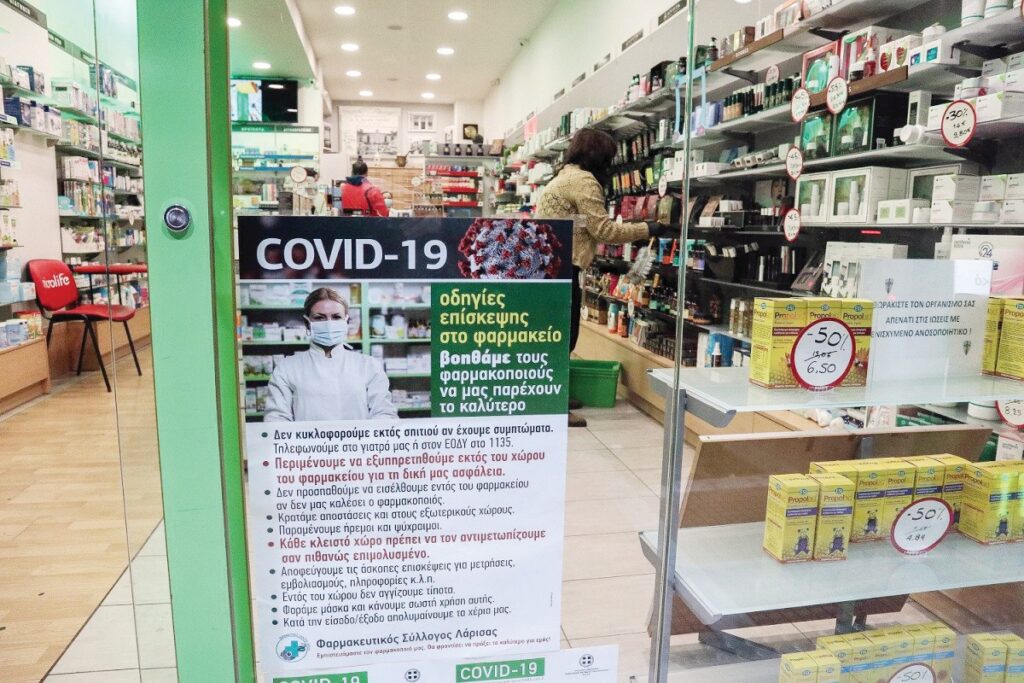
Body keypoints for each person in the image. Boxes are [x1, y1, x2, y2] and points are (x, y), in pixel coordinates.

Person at [537, 128, 672, 427]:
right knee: (564, 337)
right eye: (608, 157)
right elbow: (604, 230)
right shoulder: (584, 181)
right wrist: (647, 228)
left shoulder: (564, 176)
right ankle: (553, 404)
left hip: (551, 265)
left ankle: (556, 394)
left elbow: (576, 222)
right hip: (562, 267)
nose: (610, 164)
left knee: (557, 335)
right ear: (597, 156)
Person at [264, 287, 398, 422]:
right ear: (307, 323)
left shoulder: (369, 366)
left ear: (346, 322)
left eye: (336, 317)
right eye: (319, 318)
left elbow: (384, 414)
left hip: (357, 436)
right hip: (308, 437)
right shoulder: (287, 368)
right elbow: (276, 420)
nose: (329, 323)